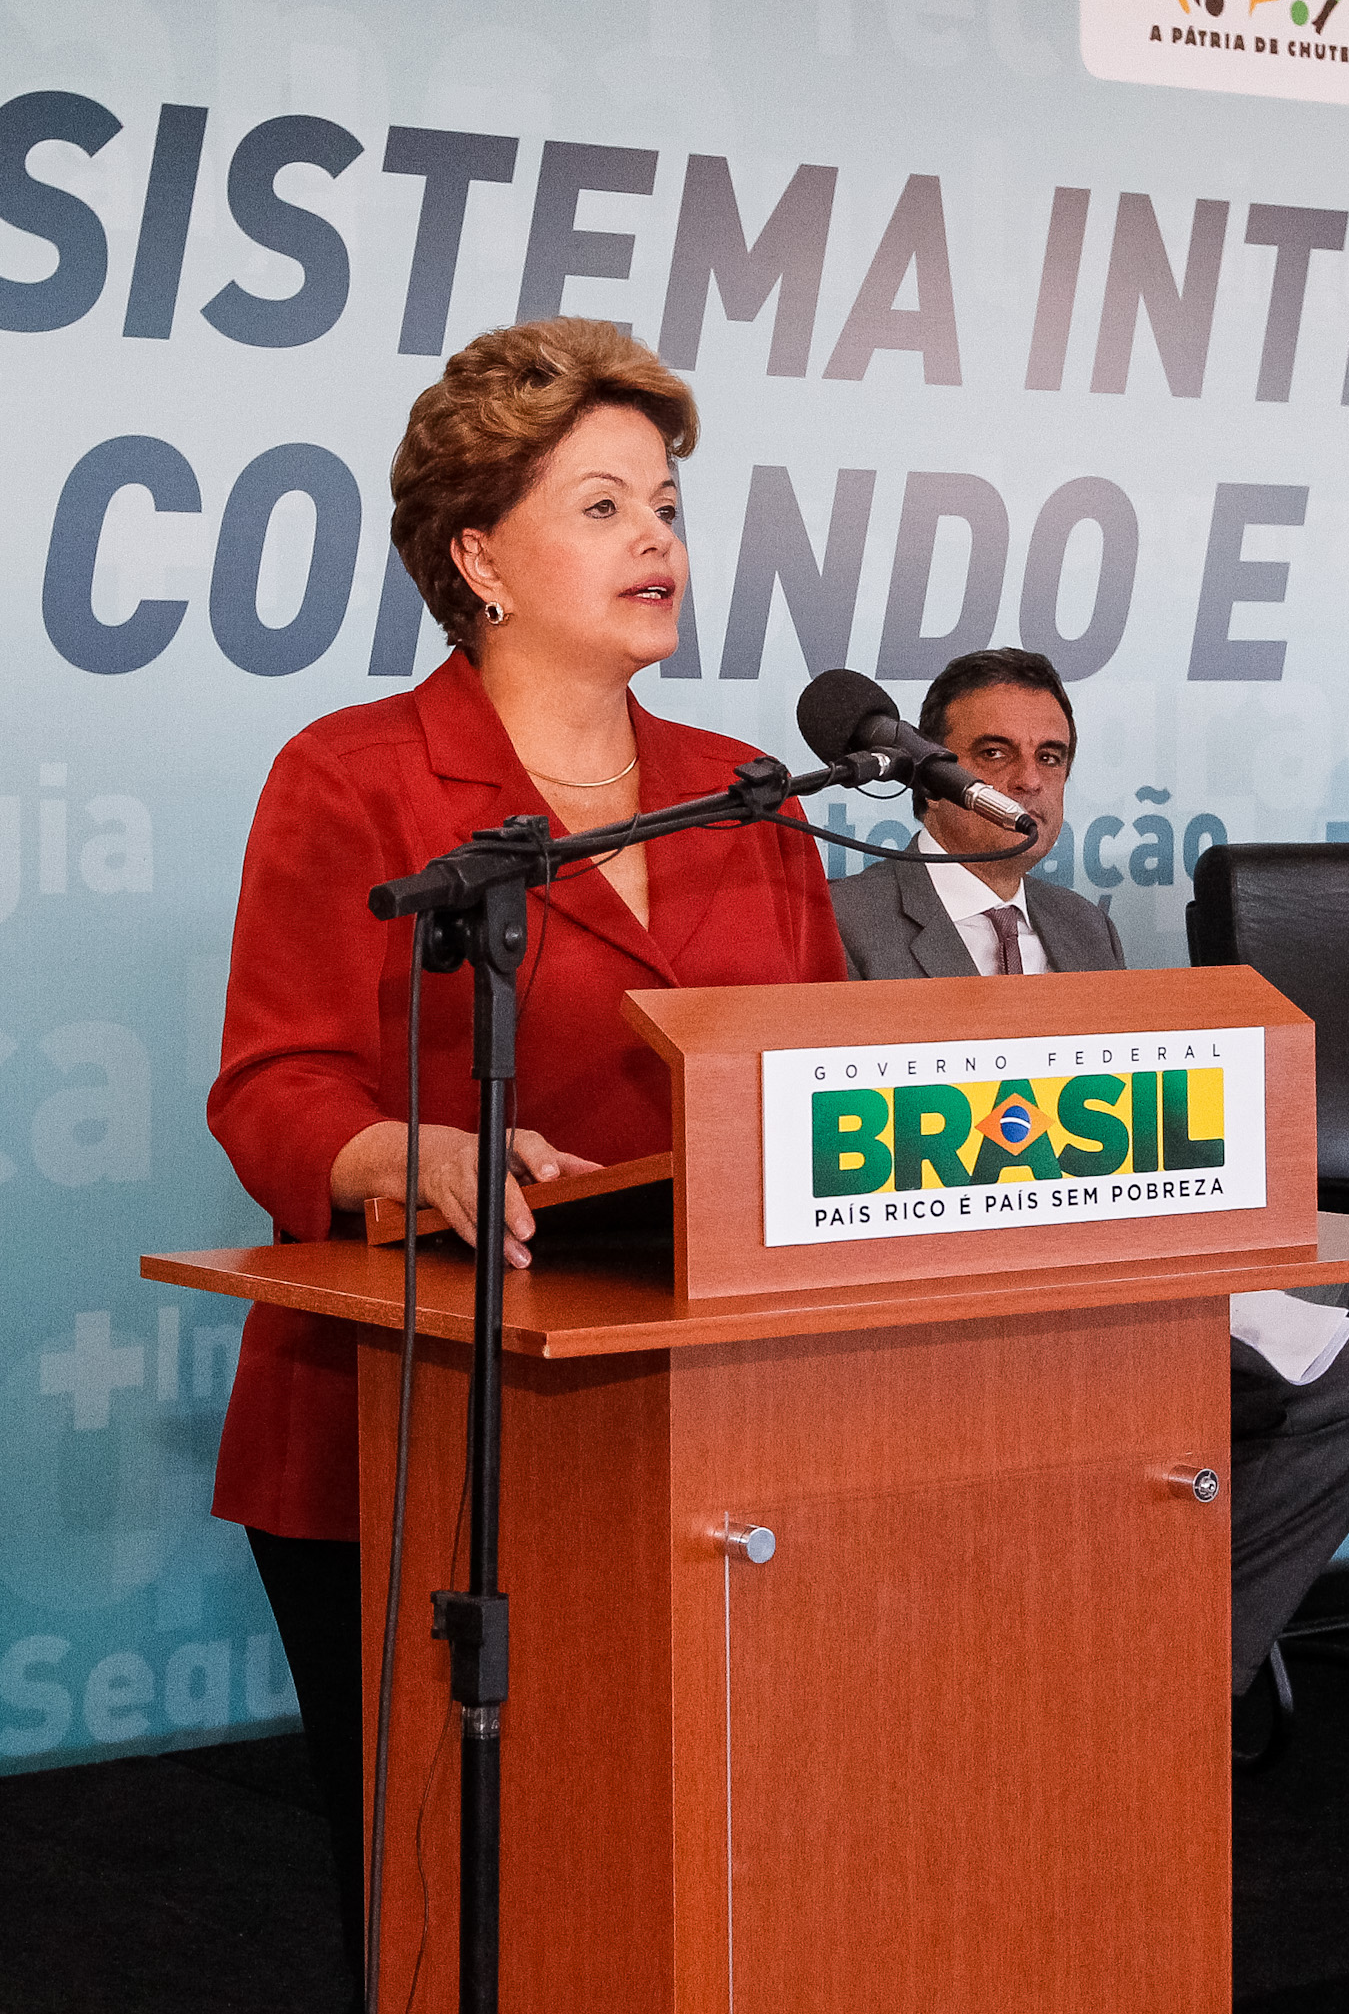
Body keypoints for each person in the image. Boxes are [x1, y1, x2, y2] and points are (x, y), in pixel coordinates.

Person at [205, 320, 846, 2000]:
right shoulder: (352, 776)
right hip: (420, 1409)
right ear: (479, 552)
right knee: (460, 1890)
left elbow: (820, 1086)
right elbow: (268, 1082)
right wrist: (383, 1146)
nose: (657, 538)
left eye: (669, 502)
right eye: (604, 503)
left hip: (714, 1420)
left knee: (696, 1855)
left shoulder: (744, 796)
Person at [829, 647, 1349, 1735]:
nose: (1030, 782)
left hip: (1108, 1278)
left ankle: (1167, 1679)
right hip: (942, 1302)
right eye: (993, 753)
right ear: (923, 771)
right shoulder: (846, 921)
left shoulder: (1080, 928)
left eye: (1050, 758)